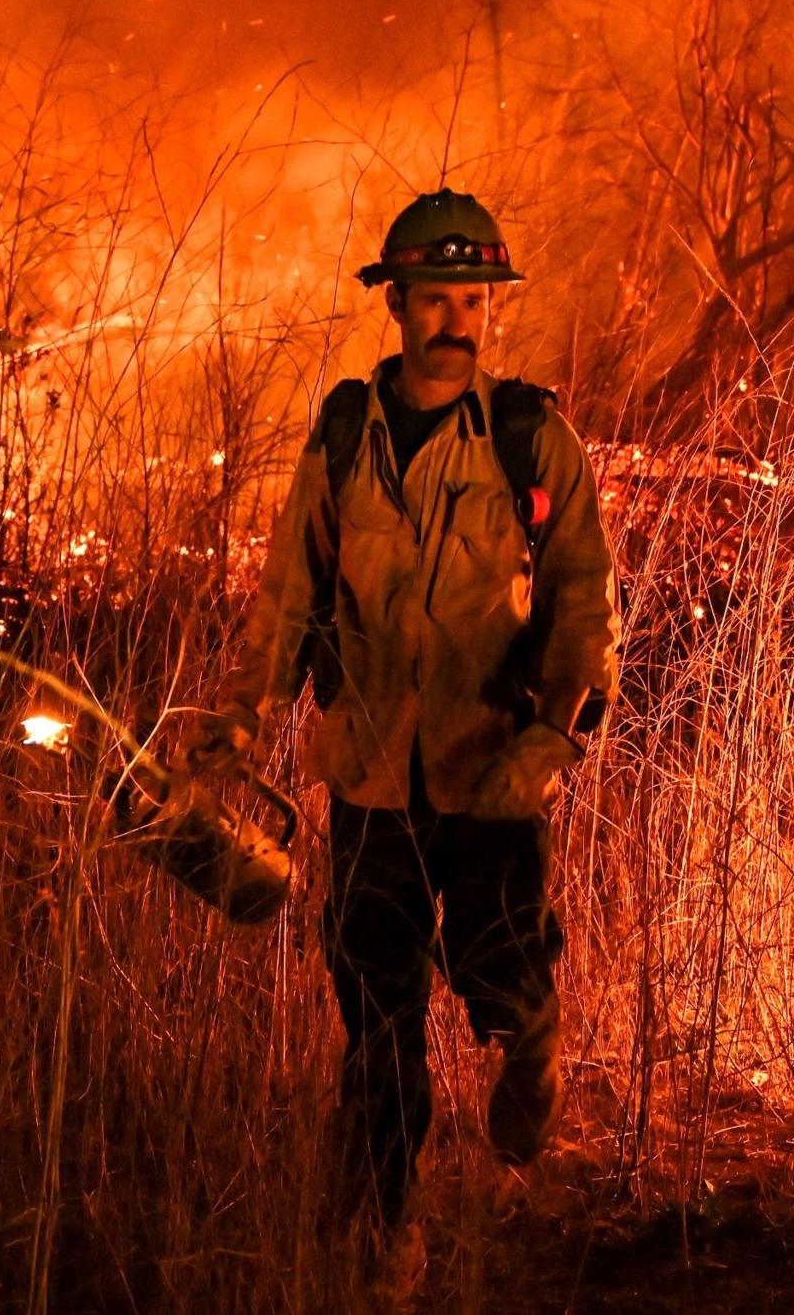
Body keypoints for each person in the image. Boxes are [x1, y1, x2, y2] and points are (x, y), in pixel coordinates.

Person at [193, 189, 621, 1293]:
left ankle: (531, 1045)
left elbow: (584, 605)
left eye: (475, 300)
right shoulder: (342, 438)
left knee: (501, 980)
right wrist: (243, 710)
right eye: (437, 299)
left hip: (492, 772)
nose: (458, 320)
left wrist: (550, 744)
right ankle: (387, 1224)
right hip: (373, 777)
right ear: (398, 306)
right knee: (377, 1018)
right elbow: (289, 594)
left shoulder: (533, 439)